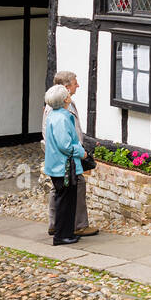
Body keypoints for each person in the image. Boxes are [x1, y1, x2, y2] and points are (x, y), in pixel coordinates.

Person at [41, 70, 99, 237]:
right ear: (66, 88)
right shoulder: (57, 110)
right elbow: (63, 142)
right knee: (76, 186)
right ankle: (77, 225)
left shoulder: (59, 105)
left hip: (61, 158)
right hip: (66, 159)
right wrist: (82, 153)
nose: (78, 85)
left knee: (58, 191)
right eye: (75, 83)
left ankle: (56, 224)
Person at [43, 85, 86, 246]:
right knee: (65, 201)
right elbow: (65, 145)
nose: (70, 95)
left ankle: (66, 233)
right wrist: (81, 152)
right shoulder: (61, 118)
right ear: (65, 99)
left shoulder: (54, 115)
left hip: (58, 165)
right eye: (67, 94)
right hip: (63, 167)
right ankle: (62, 235)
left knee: (66, 200)